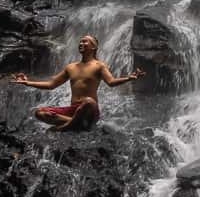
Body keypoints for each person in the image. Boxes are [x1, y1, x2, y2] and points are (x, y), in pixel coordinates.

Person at [13, 35, 145, 132]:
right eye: (80, 41)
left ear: (94, 47)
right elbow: (51, 84)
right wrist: (27, 82)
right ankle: (74, 124)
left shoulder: (99, 66)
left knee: (88, 101)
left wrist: (129, 78)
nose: (81, 43)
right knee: (39, 113)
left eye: (85, 41)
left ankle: (65, 126)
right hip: (72, 111)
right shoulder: (71, 67)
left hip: (89, 110)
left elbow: (111, 82)